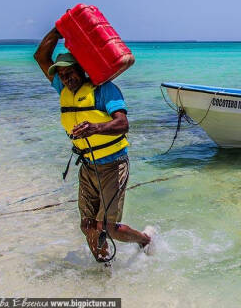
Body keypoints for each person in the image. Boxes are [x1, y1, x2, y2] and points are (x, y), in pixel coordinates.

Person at [34, 27, 154, 262]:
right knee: (88, 225)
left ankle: (145, 240)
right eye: (62, 74)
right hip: (88, 166)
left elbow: (123, 124)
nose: (67, 78)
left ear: (83, 69)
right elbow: (40, 57)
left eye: (71, 72)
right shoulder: (63, 89)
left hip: (113, 165)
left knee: (109, 228)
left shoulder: (104, 90)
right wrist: (59, 29)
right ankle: (103, 273)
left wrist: (95, 127)